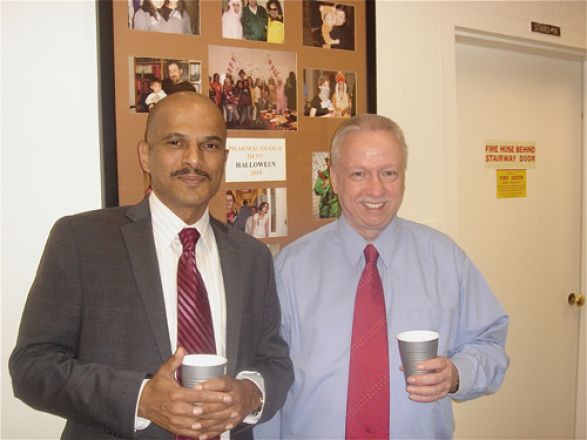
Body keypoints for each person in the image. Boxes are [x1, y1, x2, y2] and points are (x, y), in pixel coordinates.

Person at [10, 93, 293, 440]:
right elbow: (32, 366)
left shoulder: (252, 257)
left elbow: (274, 361)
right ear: (146, 154)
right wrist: (140, 399)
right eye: (176, 142)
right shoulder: (82, 240)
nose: (194, 159)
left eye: (210, 146)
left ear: (225, 158)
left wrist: (251, 394)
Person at [254, 114, 509, 439]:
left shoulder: (445, 259)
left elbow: (489, 342)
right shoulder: (290, 268)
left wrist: (457, 374)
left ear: (403, 177)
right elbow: (269, 371)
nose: (376, 189)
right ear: (333, 178)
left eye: (389, 173)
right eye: (358, 173)